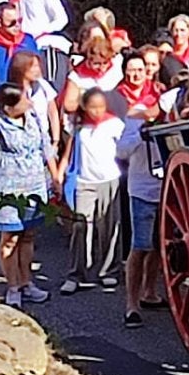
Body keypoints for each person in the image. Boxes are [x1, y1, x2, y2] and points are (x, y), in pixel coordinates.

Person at [0, 81, 56, 310]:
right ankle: (13, 286)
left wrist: (54, 177)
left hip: (34, 186)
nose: (29, 102)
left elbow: (45, 147)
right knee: (10, 238)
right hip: (7, 189)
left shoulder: (33, 119)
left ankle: (26, 282)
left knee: (28, 236)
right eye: (23, 99)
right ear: (9, 107)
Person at [57, 87, 124, 293]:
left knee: (109, 227)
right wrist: (59, 175)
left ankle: (109, 271)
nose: (97, 111)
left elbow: (125, 148)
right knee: (80, 226)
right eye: (93, 107)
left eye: (101, 107)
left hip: (109, 180)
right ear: (85, 107)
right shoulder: (79, 127)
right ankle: (77, 273)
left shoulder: (114, 124)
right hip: (84, 181)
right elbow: (68, 154)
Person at [115, 100, 165, 327]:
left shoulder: (171, 119)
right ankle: (131, 305)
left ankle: (150, 293)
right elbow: (121, 151)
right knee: (140, 247)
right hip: (142, 191)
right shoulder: (133, 120)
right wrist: (141, 136)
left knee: (158, 246)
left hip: (167, 190)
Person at [59, 22, 121, 115]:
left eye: (105, 63)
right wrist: (89, 99)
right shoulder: (76, 76)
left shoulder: (118, 65)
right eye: (96, 64)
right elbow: (69, 105)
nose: (102, 68)